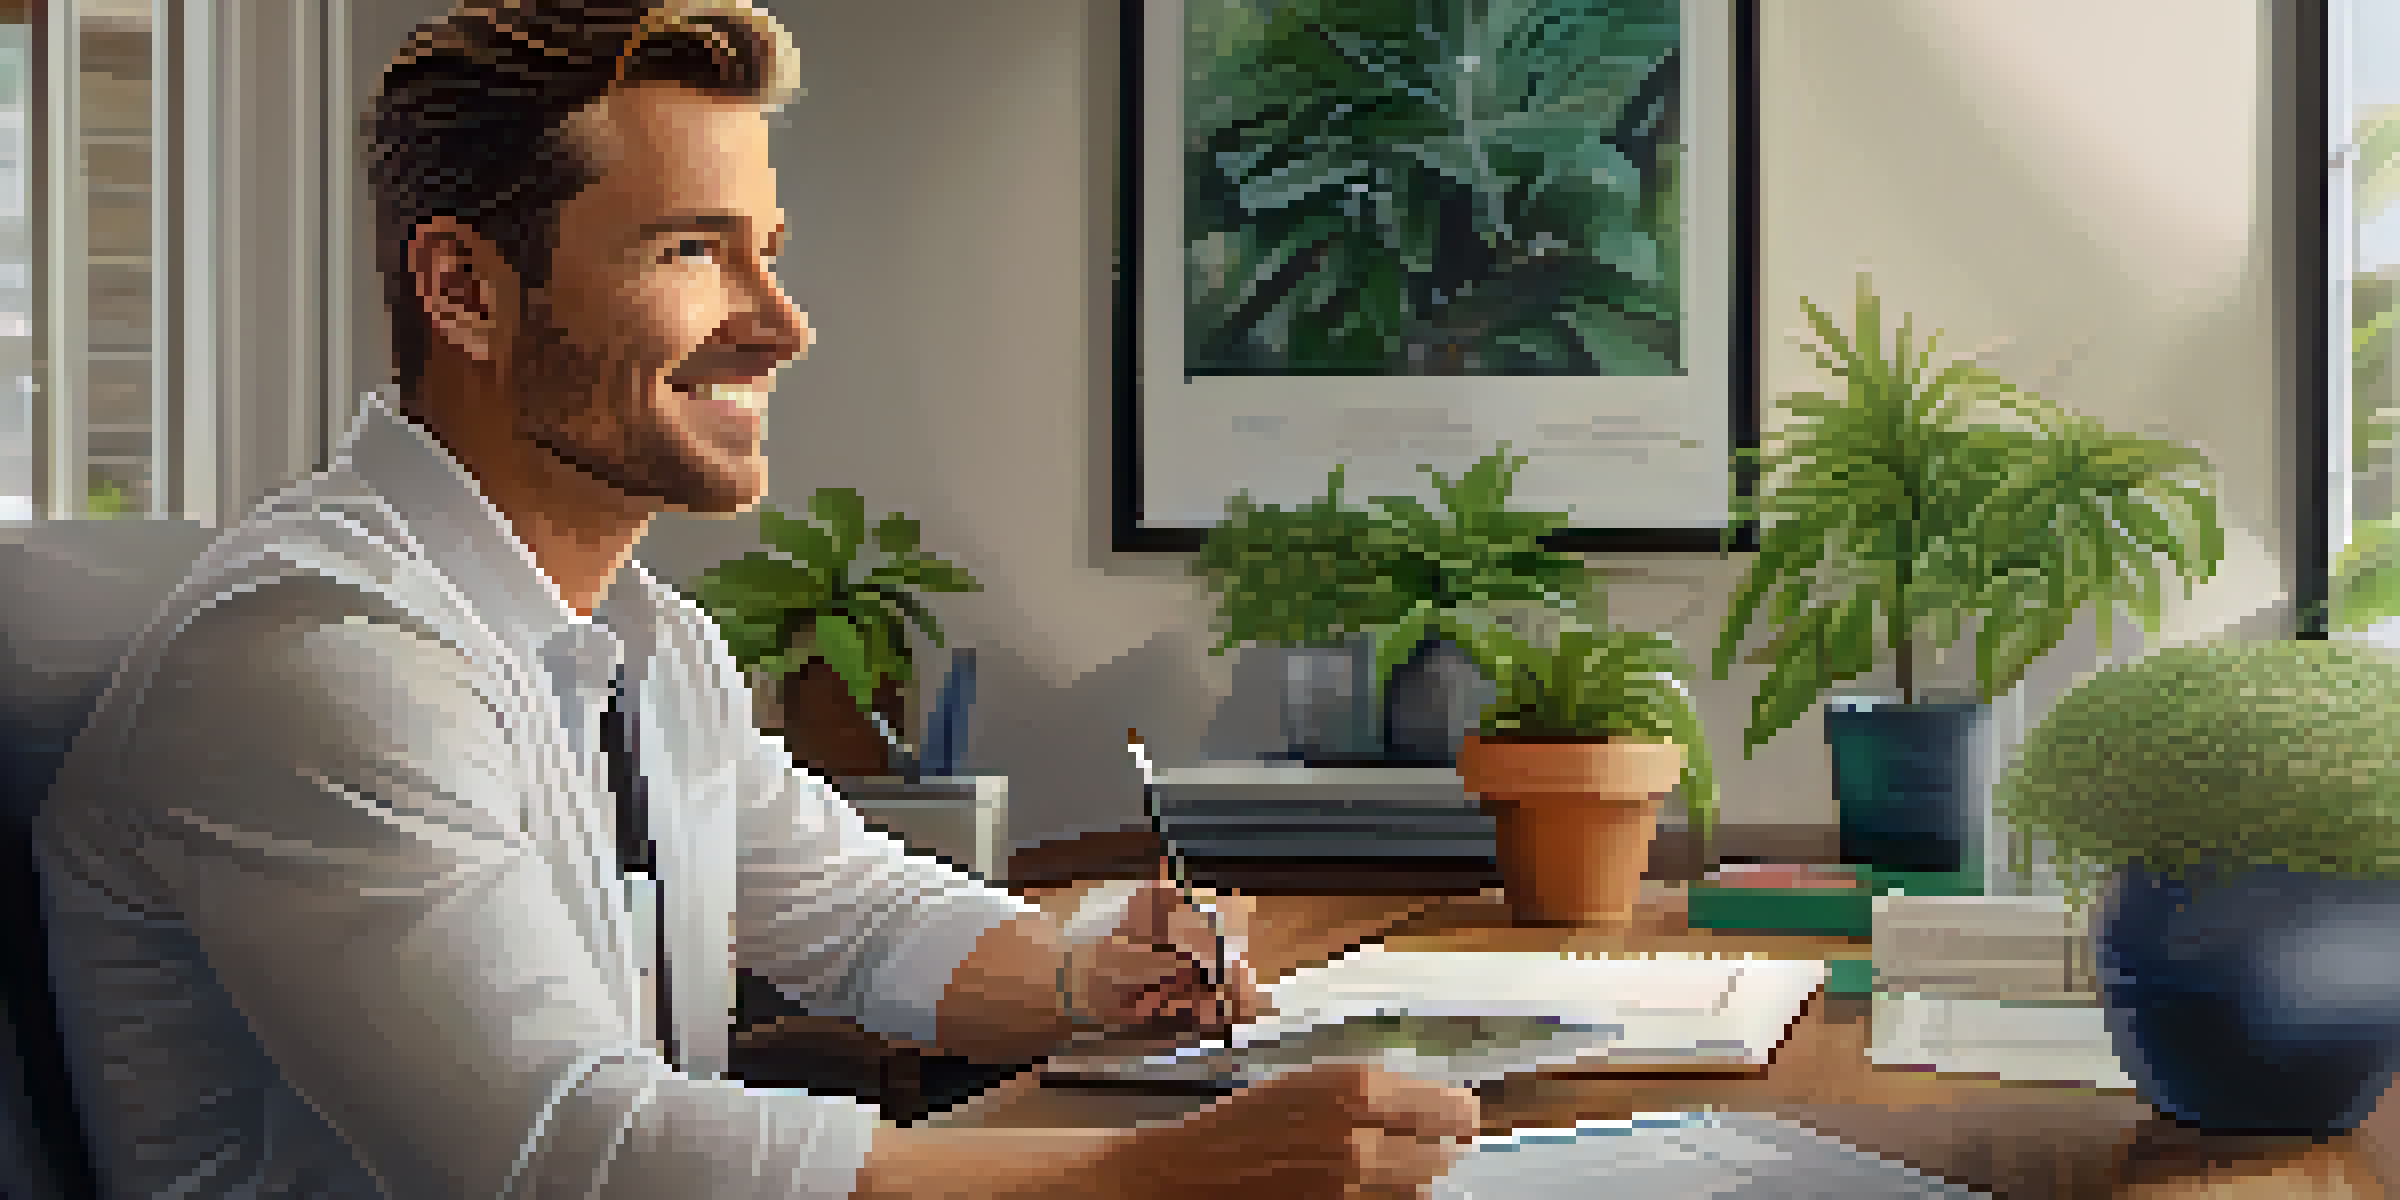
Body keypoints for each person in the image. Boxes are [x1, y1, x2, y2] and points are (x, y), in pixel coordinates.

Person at [31, 2, 1479, 1198]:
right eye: (690, 251)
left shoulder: (636, 634)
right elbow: (560, 1149)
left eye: (765, 253)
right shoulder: (322, 660)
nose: (780, 326)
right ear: (464, 292)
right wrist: (1146, 1177)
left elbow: (849, 910)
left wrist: (1093, 978)